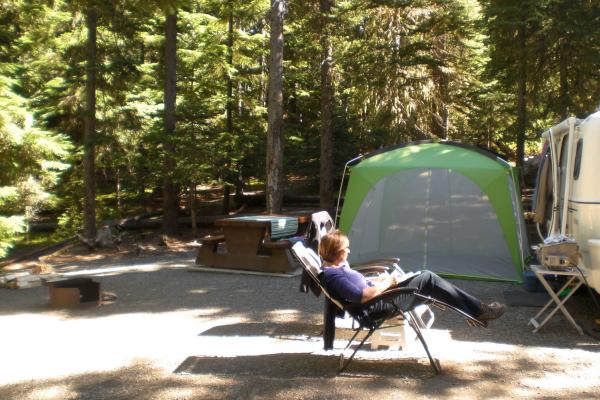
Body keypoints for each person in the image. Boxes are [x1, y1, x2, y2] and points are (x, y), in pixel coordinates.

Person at [318, 230, 505, 324]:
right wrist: (388, 284)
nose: (349, 251)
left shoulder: (337, 267)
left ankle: (475, 311)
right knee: (428, 279)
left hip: (380, 298)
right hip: (376, 308)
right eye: (346, 249)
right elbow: (361, 296)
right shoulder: (333, 275)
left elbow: (363, 286)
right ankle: (478, 311)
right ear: (336, 252)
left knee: (426, 278)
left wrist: (381, 280)